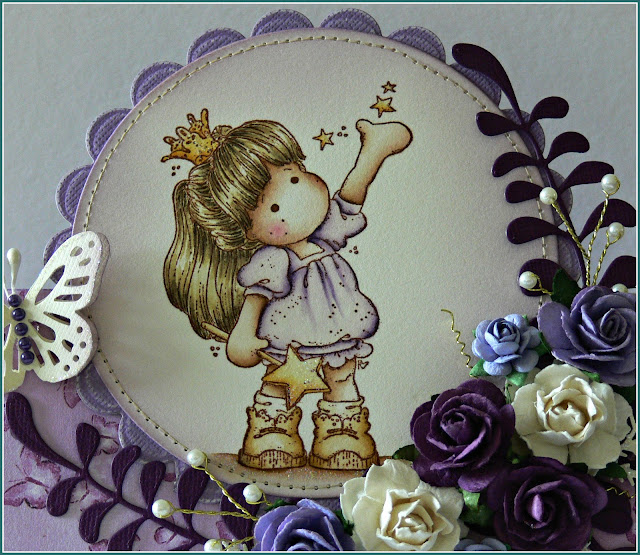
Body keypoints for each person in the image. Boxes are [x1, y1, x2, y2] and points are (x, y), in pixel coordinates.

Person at [164, 115, 412, 470]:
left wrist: (373, 152)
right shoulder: (272, 260)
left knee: (341, 378)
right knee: (277, 385)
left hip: (339, 333)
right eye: (274, 208)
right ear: (246, 232)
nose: (297, 198)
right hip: (286, 343)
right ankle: (271, 433)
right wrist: (243, 335)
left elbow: (350, 199)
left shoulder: (324, 235)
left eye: (295, 177)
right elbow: (256, 298)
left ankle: (341, 434)